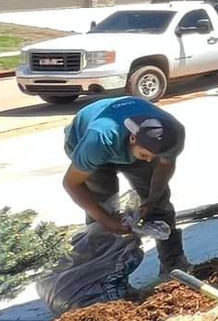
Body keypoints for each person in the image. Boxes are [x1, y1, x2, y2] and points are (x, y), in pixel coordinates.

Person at [61, 95, 188, 275]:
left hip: (126, 143)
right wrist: (106, 220)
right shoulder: (99, 139)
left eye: (155, 156)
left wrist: (152, 198)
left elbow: (165, 164)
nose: (150, 160)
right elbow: (71, 183)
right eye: (145, 154)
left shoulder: (173, 133)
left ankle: (174, 266)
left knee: (159, 202)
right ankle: (104, 277)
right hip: (84, 138)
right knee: (103, 207)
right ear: (133, 139)